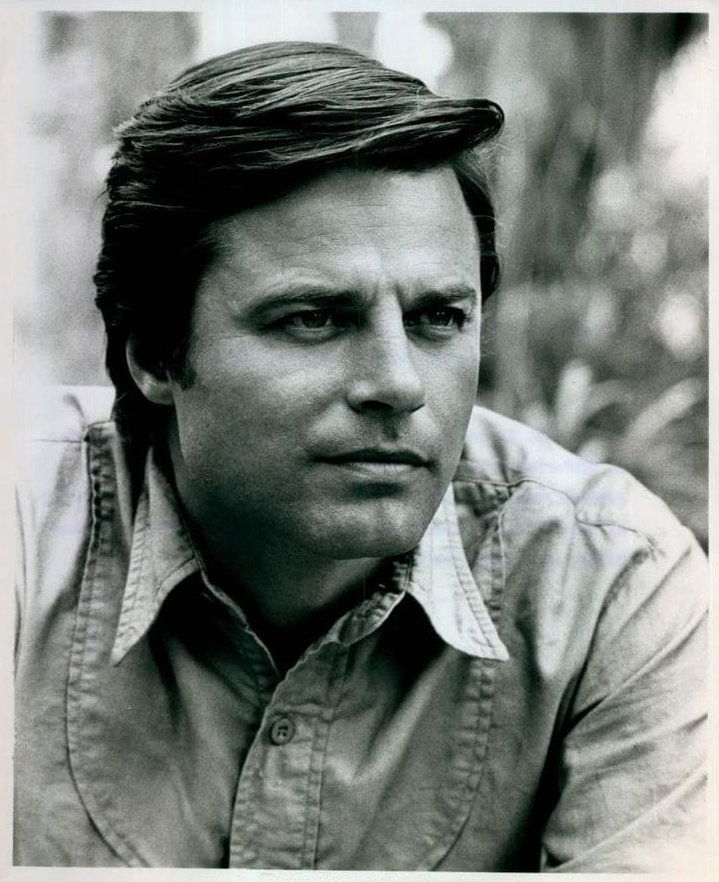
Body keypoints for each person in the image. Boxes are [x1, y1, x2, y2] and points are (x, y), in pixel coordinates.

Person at [14, 41, 707, 871]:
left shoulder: (607, 584)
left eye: (437, 319)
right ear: (154, 355)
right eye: (313, 319)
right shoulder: (26, 522)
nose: (399, 385)